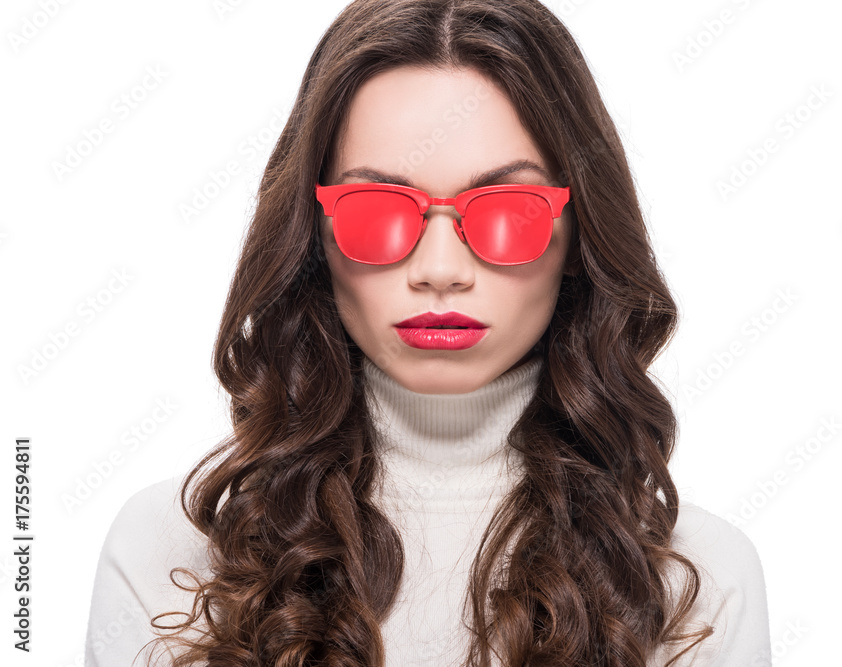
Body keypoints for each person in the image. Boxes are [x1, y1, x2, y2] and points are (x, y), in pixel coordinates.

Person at [84, 1, 771, 665]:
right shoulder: (169, 559)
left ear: (579, 235)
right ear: (311, 237)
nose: (440, 271)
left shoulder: (699, 587)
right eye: (376, 209)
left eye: (507, 211)